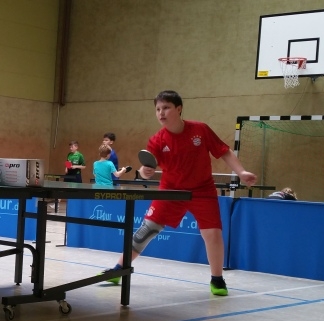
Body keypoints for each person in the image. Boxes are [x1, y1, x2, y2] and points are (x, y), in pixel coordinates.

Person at [103, 90, 256, 296]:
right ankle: (118, 269)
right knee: (146, 231)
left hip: (202, 190)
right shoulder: (157, 140)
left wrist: (241, 172)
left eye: (166, 108)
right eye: (158, 109)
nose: (161, 113)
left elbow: (224, 151)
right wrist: (144, 172)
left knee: (212, 234)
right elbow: (146, 169)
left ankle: (217, 279)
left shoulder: (200, 130)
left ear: (179, 108)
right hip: (171, 191)